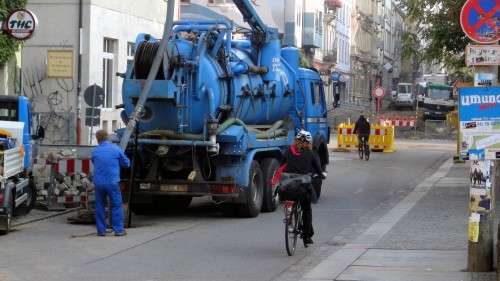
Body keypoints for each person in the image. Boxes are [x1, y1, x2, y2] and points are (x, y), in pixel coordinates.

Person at [280, 130, 325, 245]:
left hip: (287, 187)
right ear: (309, 142)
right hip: (302, 188)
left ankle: (289, 214)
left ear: (296, 140)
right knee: (306, 209)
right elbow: (319, 170)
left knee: (289, 198)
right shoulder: (311, 154)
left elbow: (282, 165)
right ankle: (306, 236)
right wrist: (321, 175)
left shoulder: (288, 151)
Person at [91, 130, 130, 236]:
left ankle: (101, 231)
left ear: (98, 139)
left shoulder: (95, 151)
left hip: (98, 183)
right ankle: (118, 230)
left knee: (99, 206)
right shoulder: (115, 149)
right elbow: (126, 164)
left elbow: (95, 162)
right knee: (116, 205)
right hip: (112, 182)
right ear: (108, 137)